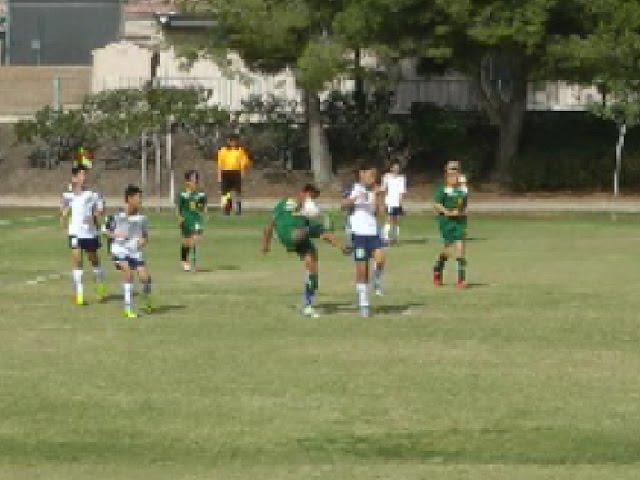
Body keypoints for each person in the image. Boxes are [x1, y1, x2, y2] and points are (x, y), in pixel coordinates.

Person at [263, 184, 346, 318]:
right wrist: (266, 243)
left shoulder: (305, 217)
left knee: (312, 262)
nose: (312, 200)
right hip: (289, 234)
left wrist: (340, 246)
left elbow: (323, 235)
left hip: (301, 236)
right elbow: (269, 225)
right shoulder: (286, 204)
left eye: (314, 198)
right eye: (311, 197)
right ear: (303, 192)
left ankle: (308, 304)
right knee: (316, 229)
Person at [343, 164, 386, 318]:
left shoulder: (375, 191)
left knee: (381, 260)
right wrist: (355, 198)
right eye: (371, 175)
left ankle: (376, 281)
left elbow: (377, 212)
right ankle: (364, 303)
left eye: (375, 176)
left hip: (373, 232)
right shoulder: (353, 188)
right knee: (362, 270)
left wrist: (376, 196)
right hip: (358, 234)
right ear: (361, 174)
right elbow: (343, 205)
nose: (373, 178)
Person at [60, 165, 106, 305]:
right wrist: (62, 216)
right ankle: (79, 294)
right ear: (74, 177)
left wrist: (94, 216)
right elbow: (64, 209)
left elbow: (101, 209)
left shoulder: (92, 194)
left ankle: (100, 286)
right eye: (80, 175)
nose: (83, 177)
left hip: (90, 233)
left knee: (94, 261)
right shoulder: (68, 195)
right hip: (75, 232)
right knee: (76, 259)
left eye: (84, 175)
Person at [105, 185, 153, 318]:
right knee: (128, 273)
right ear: (130, 199)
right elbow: (105, 231)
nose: (140, 200)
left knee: (145, 278)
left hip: (134, 251)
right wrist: (116, 235)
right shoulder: (117, 215)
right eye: (138, 198)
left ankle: (146, 300)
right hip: (119, 250)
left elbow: (145, 235)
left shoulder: (142, 218)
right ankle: (128, 309)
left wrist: (144, 240)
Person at [433, 160, 468, 289]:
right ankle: (437, 268)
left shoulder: (462, 190)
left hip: (459, 223)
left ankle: (461, 279)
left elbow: (464, 206)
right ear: (446, 174)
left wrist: (460, 212)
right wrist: (447, 212)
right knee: (447, 252)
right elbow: (436, 204)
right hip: (446, 223)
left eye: (456, 171)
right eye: (451, 171)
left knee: (460, 250)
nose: (454, 175)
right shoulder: (442, 189)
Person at [177, 170, 208, 272]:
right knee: (187, 242)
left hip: (196, 219)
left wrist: (204, 214)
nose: (195, 182)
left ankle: (196, 264)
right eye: (193, 180)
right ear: (187, 182)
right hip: (186, 219)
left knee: (196, 239)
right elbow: (179, 208)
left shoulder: (201, 195)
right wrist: (179, 218)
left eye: (196, 180)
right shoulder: (182, 195)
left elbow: (203, 207)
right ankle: (184, 260)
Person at [217, 133, 251, 215]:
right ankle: (227, 209)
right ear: (228, 141)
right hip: (225, 172)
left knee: (237, 192)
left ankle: (238, 209)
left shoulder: (240, 151)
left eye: (234, 141)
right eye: (231, 141)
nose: (232, 143)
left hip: (236, 172)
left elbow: (244, 162)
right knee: (225, 192)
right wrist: (219, 175)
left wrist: (242, 172)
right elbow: (220, 163)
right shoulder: (223, 150)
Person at [381, 160, 407, 245]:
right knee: (388, 219)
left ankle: (395, 238)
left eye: (398, 167)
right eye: (394, 167)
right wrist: (384, 201)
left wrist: (400, 203)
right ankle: (385, 238)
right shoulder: (386, 177)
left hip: (397, 203)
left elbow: (401, 192)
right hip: (389, 202)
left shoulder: (401, 178)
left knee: (396, 220)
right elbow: (384, 189)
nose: (396, 169)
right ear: (391, 168)